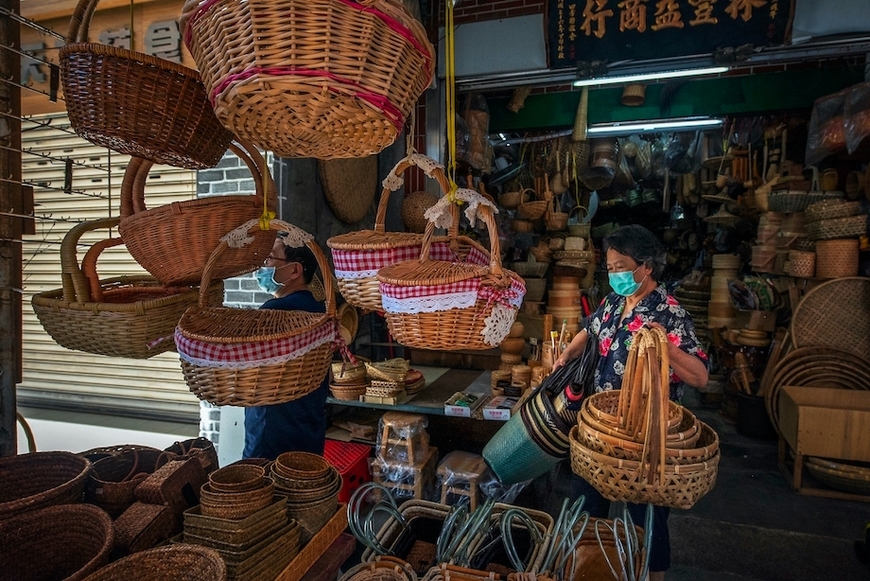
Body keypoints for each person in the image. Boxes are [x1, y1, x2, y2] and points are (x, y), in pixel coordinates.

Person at [553, 224, 709, 581]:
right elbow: (589, 328)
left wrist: (662, 345)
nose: (616, 274)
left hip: (645, 437)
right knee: (586, 510)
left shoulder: (670, 313)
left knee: (647, 520)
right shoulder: (613, 303)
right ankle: (588, 569)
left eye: (622, 266)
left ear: (647, 267)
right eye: (610, 267)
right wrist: (567, 353)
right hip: (600, 432)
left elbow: (700, 376)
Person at [243, 233, 330, 460]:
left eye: (269, 260)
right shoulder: (318, 309)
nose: (262, 267)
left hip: (271, 428)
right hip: (309, 422)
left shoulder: (275, 311)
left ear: (294, 270)